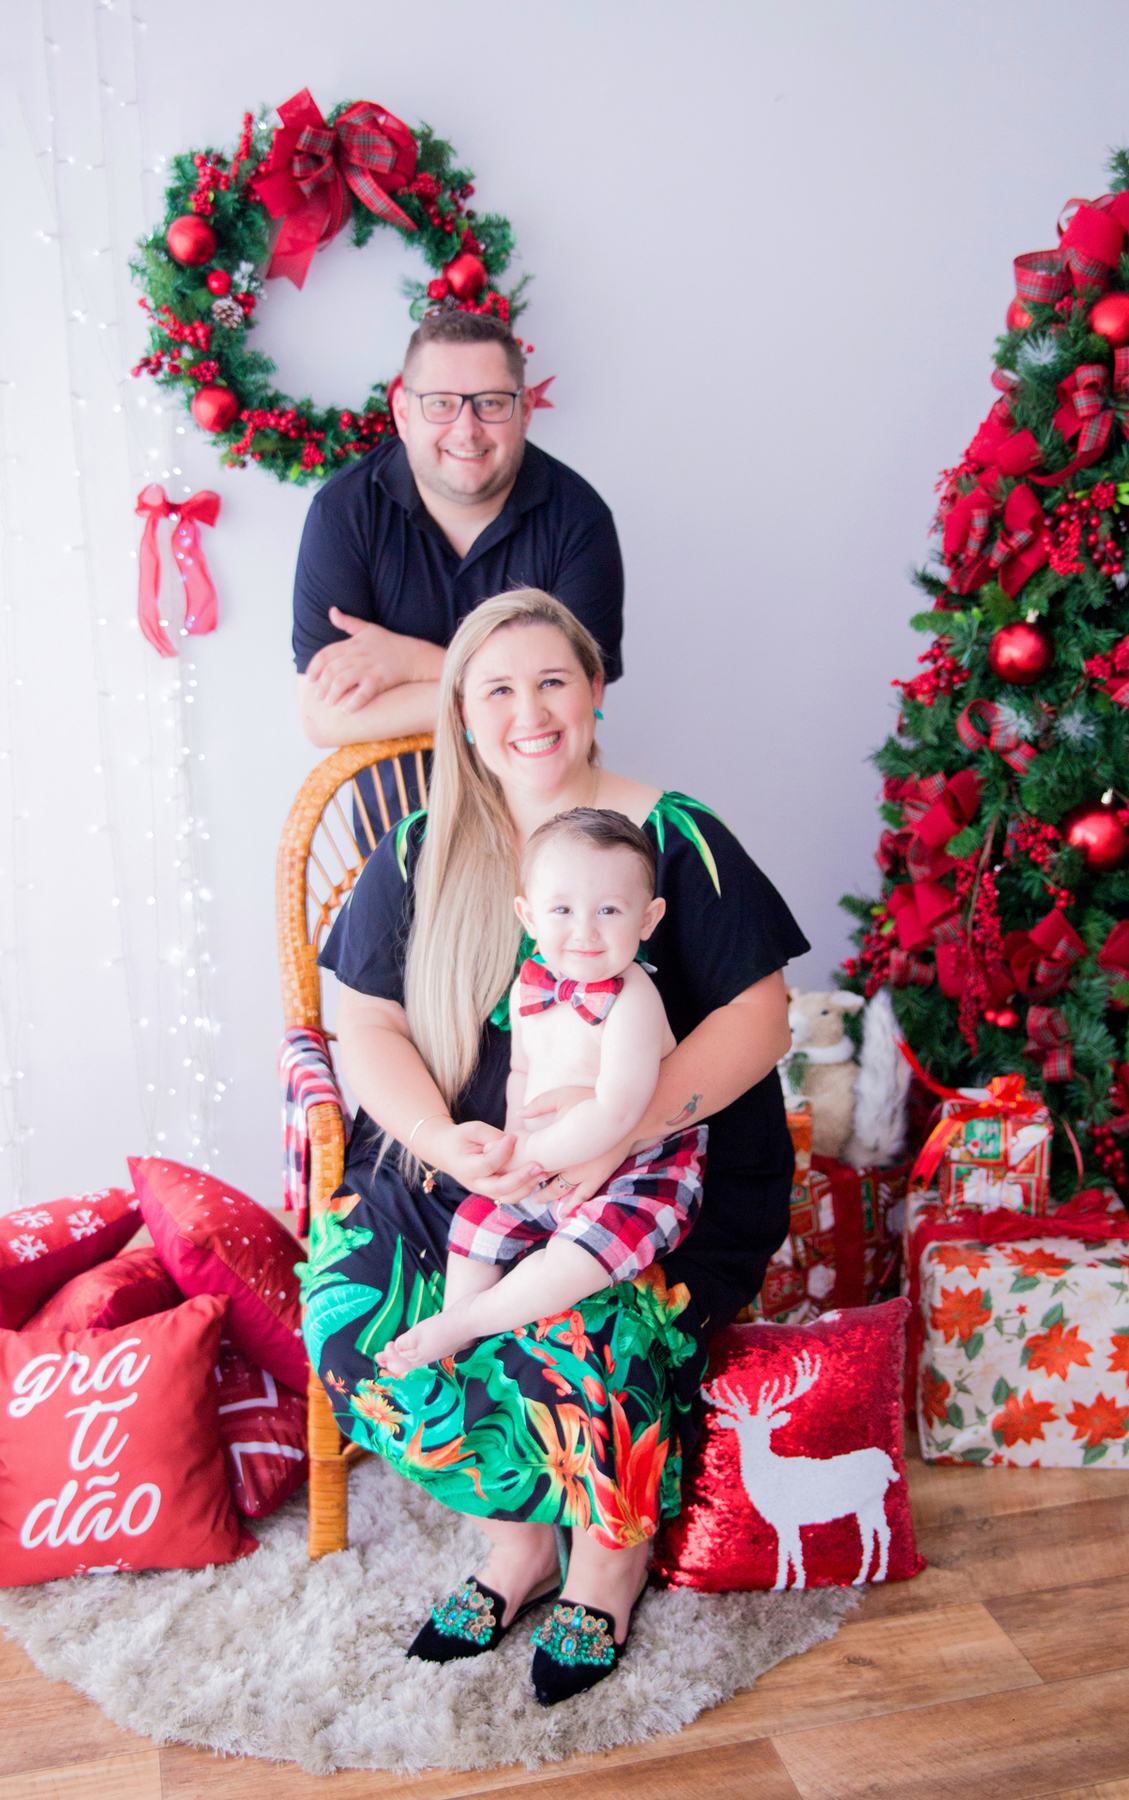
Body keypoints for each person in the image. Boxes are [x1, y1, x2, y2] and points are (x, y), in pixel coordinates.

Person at [305, 589, 807, 1706]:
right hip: (470, 1173)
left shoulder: (670, 835)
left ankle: (605, 1563)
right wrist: (441, 1138)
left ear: (592, 694)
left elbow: (763, 1020)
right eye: (498, 689)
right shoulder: (422, 849)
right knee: (354, 1314)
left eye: (552, 682)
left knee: (582, 1321)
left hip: (656, 1176)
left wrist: (618, 1131)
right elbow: (365, 1024)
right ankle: (516, 1539)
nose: (529, 712)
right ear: (462, 715)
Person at [378, 807, 705, 1374]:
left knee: (574, 1261)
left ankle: (472, 1321)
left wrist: (532, 1155)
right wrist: (514, 1141)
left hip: (641, 1166)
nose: (584, 930)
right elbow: (522, 1075)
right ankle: (454, 1318)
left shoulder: (632, 999)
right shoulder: (531, 986)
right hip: (553, 1153)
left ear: (648, 919)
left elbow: (619, 1108)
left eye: (609, 909)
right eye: (562, 909)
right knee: (478, 1218)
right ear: (528, 916)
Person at [293, 310, 623, 752]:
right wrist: (516, 689)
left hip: (539, 806)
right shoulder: (343, 513)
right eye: (441, 403)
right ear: (404, 413)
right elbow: (323, 718)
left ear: (523, 411)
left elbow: (578, 702)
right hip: (397, 815)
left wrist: (413, 663)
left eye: (490, 402)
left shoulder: (579, 520)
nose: (467, 430)